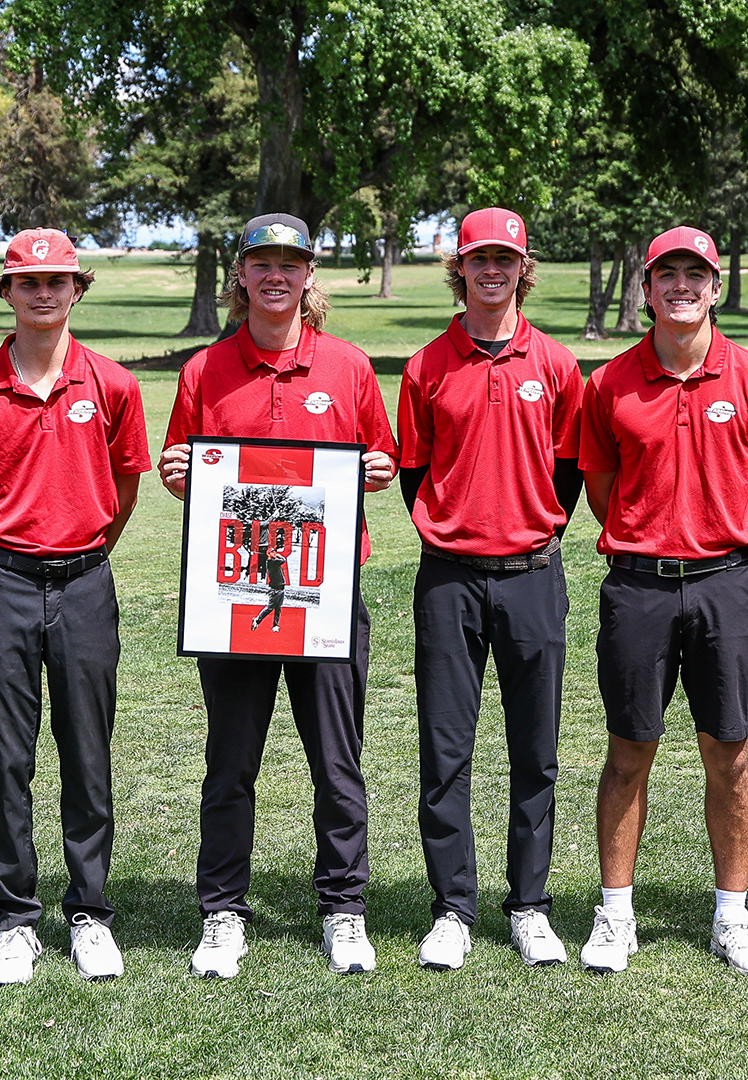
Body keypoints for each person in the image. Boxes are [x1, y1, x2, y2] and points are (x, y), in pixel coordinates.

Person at [159, 213, 397, 978]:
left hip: (325, 594)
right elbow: (183, 466)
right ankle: (223, 912)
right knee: (230, 761)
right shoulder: (204, 371)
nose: (276, 275)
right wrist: (176, 476)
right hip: (233, 595)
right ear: (241, 273)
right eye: (262, 261)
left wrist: (377, 471)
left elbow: (382, 455)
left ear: (308, 276)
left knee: (337, 758)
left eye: (290, 263)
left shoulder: (349, 368)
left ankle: (344, 909)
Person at [574, 226, 748, 976]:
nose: (681, 286)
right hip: (637, 586)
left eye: (695, 274)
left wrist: (721, 539)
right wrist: (651, 533)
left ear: (716, 287)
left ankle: (732, 917)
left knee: (728, 753)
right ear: (646, 287)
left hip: (724, 587)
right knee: (628, 750)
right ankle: (615, 915)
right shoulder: (609, 383)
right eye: (666, 274)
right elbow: (602, 490)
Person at [0, 229, 150, 985]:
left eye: (57, 281)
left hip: (88, 581)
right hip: (2, 583)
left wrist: (82, 551)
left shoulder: (115, 385)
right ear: (7, 292)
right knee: (8, 756)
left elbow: (123, 492)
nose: (43, 292)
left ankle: (89, 913)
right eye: (28, 282)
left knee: (88, 752)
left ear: (77, 289)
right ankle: (16, 917)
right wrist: (12, 560)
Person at [396, 207, 582, 971]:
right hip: (449, 580)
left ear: (523, 267)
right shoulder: (426, 365)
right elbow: (413, 472)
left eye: (505, 259)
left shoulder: (559, 365)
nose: (492, 271)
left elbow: (569, 469)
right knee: (446, 751)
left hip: (534, 575)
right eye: (479, 259)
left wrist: (531, 526)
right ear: (461, 267)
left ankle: (530, 905)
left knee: (535, 750)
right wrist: (456, 527)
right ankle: (452, 908)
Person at [252, 540, 290, 632]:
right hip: (275, 590)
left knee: (278, 608)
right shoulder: (271, 562)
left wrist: (276, 555)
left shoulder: (273, 561)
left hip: (281, 588)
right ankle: (257, 620)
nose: (275, 553)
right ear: (269, 554)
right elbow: (283, 560)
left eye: (274, 551)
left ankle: (275, 625)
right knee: (270, 608)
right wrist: (279, 555)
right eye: (272, 552)